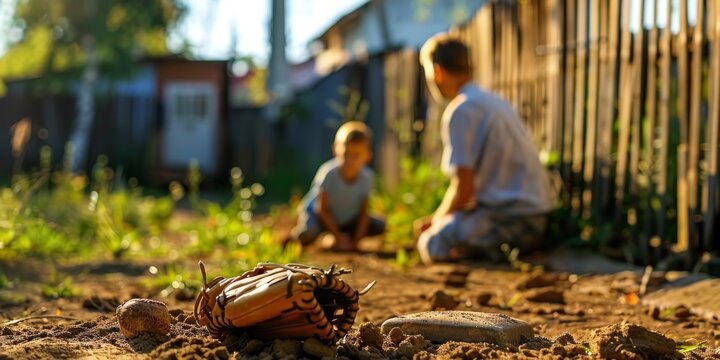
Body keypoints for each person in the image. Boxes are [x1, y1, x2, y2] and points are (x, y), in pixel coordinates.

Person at [415, 33, 554, 264]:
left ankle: (478, 256)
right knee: (452, 226)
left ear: (437, 71)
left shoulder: (461, 110)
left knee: (431, 241)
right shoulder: (493, 100)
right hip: (538, 221)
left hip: (510, 221)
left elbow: (463, 188)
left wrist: (436, 221)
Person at [287, 121, 385, 251]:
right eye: (346, 154)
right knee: (307, 233)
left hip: (346, 220)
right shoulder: (328, 173)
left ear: (367, 155)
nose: (349, 160)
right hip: (318, 217)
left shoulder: (367, 178)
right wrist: (338, 237)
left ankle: (337, 240)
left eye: (355, 155)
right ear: (335, 149)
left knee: (378, 225)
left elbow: (363, 213)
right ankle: (287, 241)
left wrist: (355, 243)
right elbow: (321, 210)